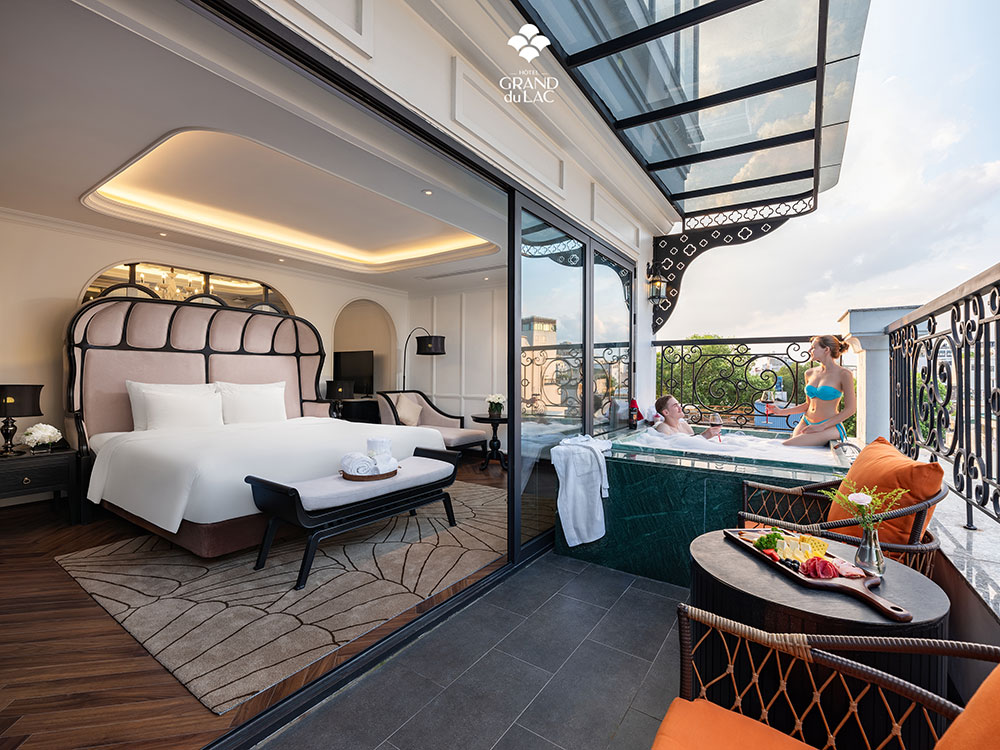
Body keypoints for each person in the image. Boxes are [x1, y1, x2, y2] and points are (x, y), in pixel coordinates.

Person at [769, 335, 856, 447]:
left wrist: (821, 426)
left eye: (813, 347)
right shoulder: (809, 373)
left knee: (786, 445)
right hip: (806, 421)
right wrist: (780, 412)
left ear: (826, 349)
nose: (809, 350)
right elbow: (808, 404)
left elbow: (850, 409)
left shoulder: (844, 374)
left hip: (829, 427)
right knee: (790, 450)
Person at [651, 393, 722, 440]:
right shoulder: (663, 427)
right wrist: (704, 436)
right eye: (675, 406)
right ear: (666, 412)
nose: (680, 407)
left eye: (678, 404)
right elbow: (669, 447)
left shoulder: (684, 425)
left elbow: (693, 444)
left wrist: (706, 436)